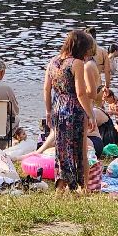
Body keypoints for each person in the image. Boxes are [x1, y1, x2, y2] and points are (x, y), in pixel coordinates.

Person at [43, 30, 98, 194]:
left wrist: (48, 111)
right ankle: (83, 186)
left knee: (62, 150)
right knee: (80, 151)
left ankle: (61, 187)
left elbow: (46, 89)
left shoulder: (52, 62)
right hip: (74, 110)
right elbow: (81, 93)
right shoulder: (76, 63)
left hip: (58, 108)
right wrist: (91, 114)